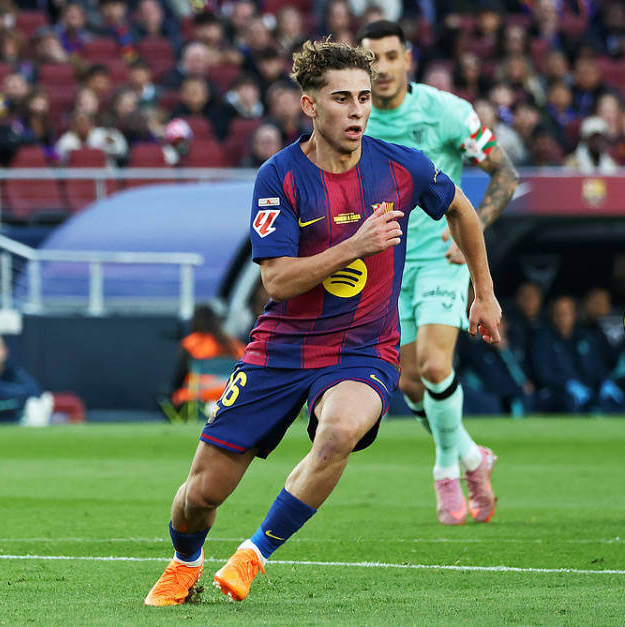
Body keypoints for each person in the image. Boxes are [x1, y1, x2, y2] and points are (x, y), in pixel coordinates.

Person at [143, 38, 503, 606]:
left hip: (363, 350)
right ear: (310, 105)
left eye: (364, 98)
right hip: (280, 349)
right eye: (342, 98)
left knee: (338, 433)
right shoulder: (279, 176)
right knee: (200, 496)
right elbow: (277, 281)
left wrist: (484, 294)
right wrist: (356, 245)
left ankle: (254, 554)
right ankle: (186, 561)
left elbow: (461, 209)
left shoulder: (402, 166)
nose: (357, 110)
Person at [358, 21, 519, 525]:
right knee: (408, 383)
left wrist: (471, 228)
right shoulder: (355, 116)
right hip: (386, 265)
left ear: (407, 57)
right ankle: (473, 456)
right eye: (372, 59)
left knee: (433, 365)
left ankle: (446, 471)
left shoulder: (446, 111)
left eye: (391, 56)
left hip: (440, 261)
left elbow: (504, 173)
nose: (382, 69)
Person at [169, 303, 246, 419]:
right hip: (230, 396)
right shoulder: (234, 345)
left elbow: (179, 377)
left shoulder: (190, 344)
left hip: (196, 398)